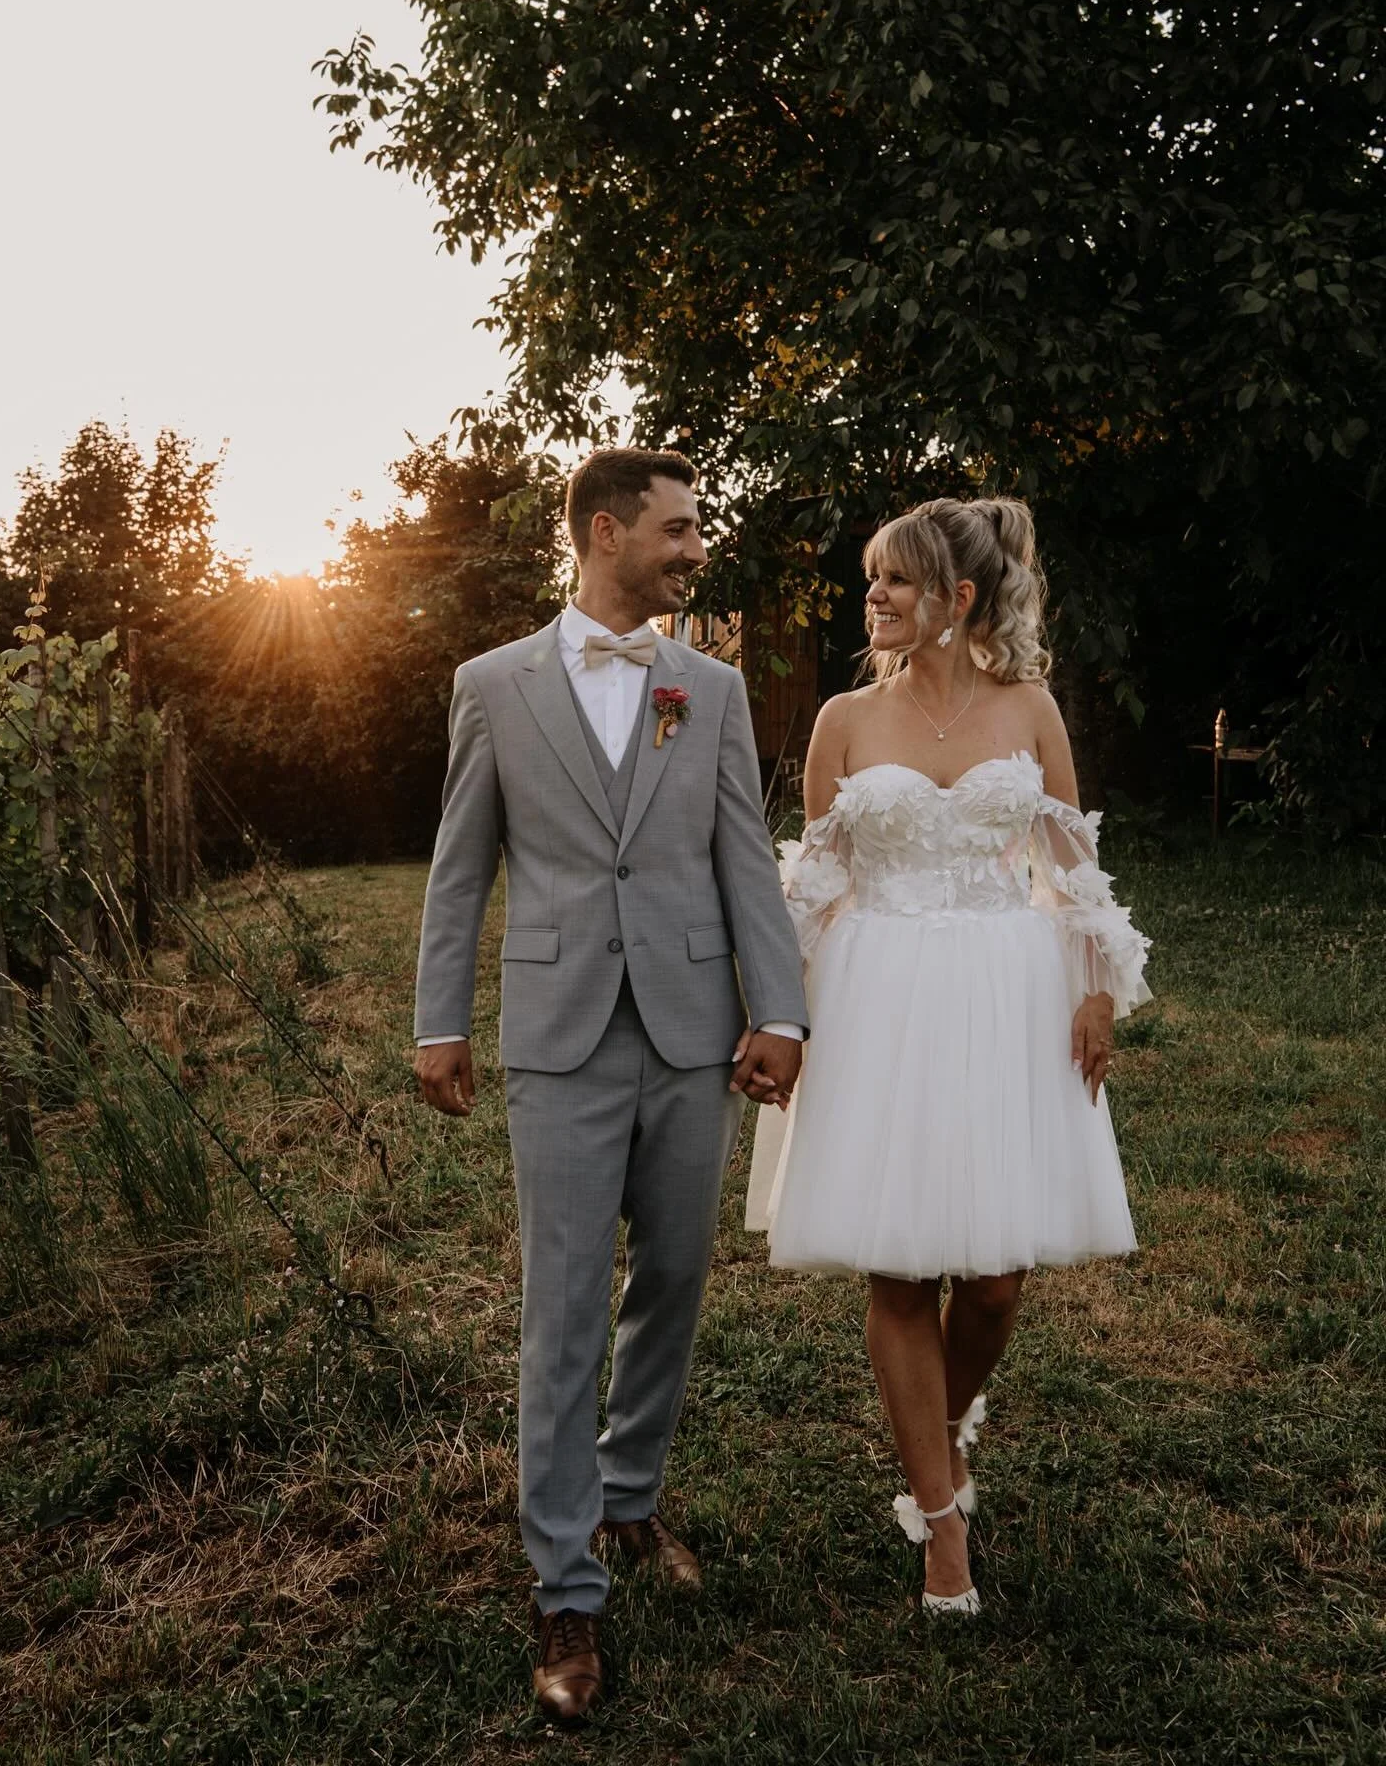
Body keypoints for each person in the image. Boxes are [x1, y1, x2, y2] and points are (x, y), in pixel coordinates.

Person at [414, 447, 807, 1721]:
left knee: (676, 1278)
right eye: (678, 529)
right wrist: (439, 1021)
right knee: (565, 1305)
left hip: (694, 1035)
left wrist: (779, 1011)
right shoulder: (492, 686)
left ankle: (629, 1497)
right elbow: (460, 867)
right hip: (561, 1036)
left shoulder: (712, 689)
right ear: (604, 533)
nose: (696, 549)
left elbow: (743, 857)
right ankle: (565, 1588)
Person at [746, 495, 1150, 1615]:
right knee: (901, 1263)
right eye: (871, 577)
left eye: (895, 578)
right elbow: (815, 886)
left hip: (1007, 991)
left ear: (958, 597)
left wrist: (1098, 990)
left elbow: (1072, 863)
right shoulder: (841, 720)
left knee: (997, 1281)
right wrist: (780, 1015)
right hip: (879, 995)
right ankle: (939, 1521)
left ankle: (947, 1419)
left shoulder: (1029, 707)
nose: (872, 595)